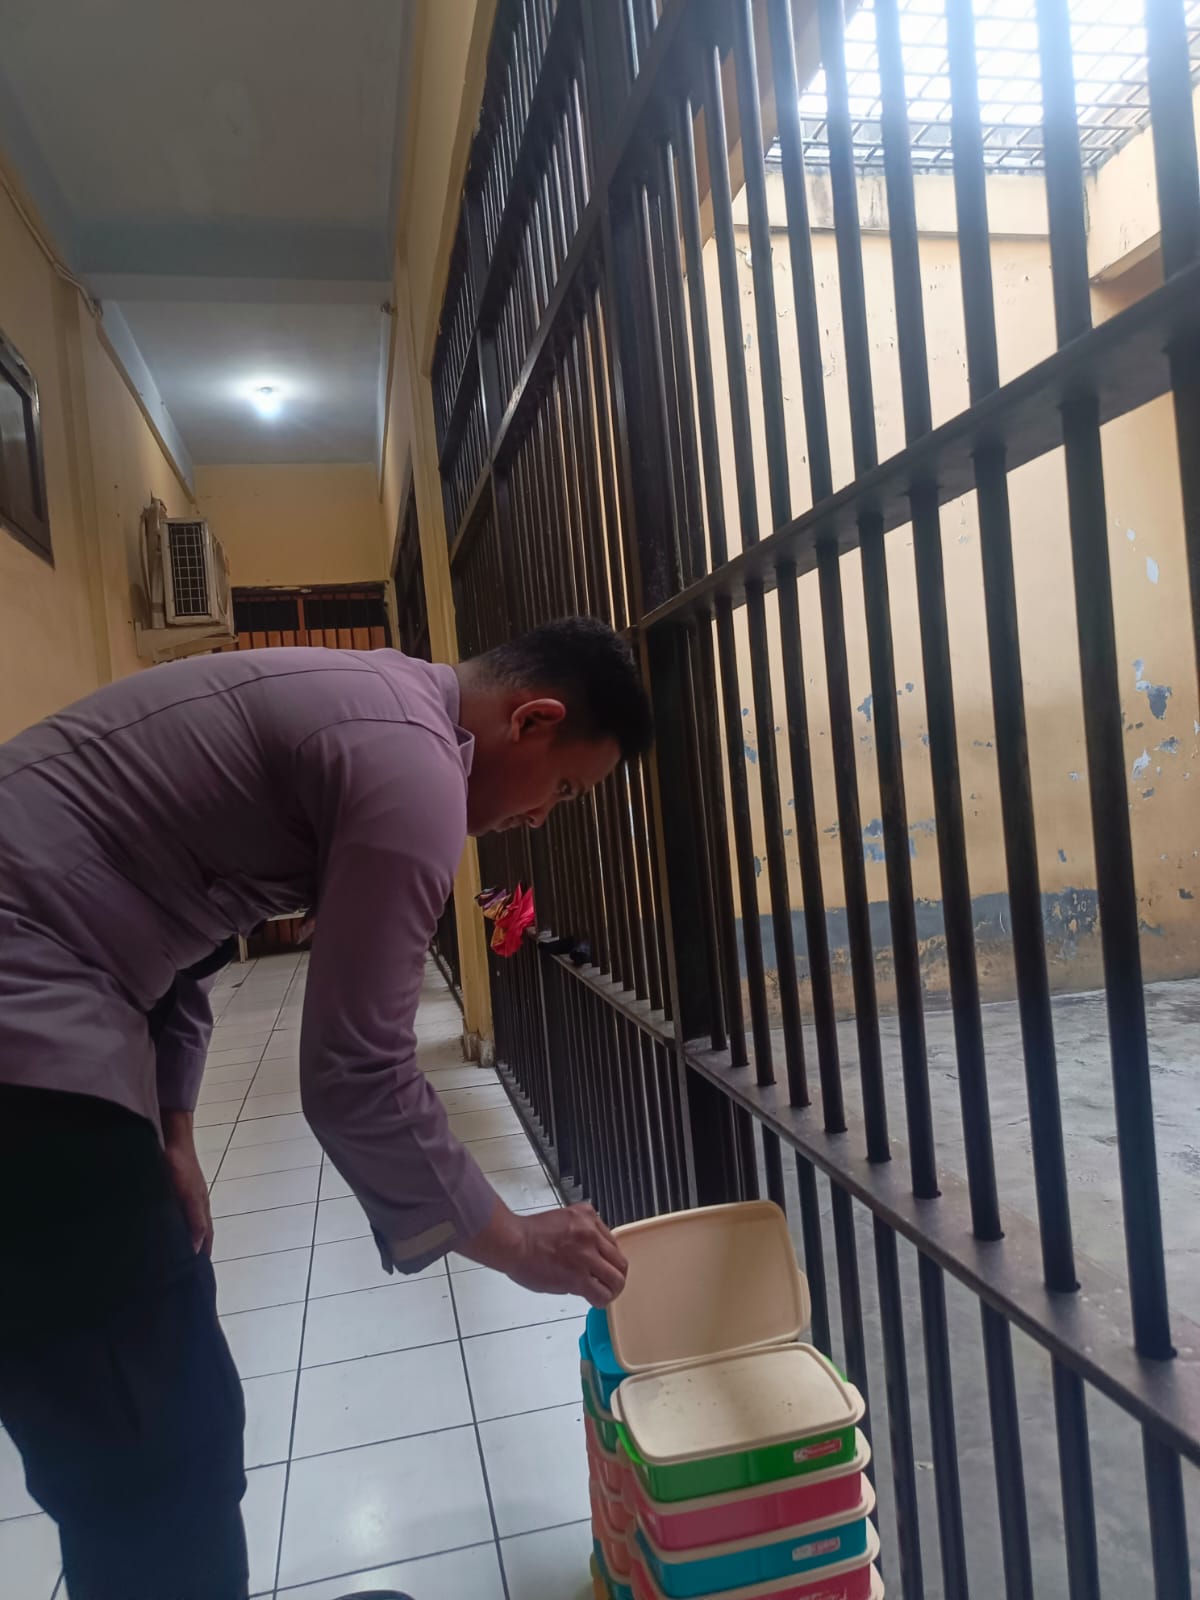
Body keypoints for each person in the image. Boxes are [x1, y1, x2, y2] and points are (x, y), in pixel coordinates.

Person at [0, 617, 653, 1600]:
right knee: (153, 1448)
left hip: (54, 978)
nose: (538, 819)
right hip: (27, 1005)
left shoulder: (379, 700)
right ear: (533, 720)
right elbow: (357, 1070)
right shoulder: (417, 767)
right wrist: (519, 1241)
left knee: (151, 1418)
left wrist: (172, 1125)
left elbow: (181, 923)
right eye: (561, 791)